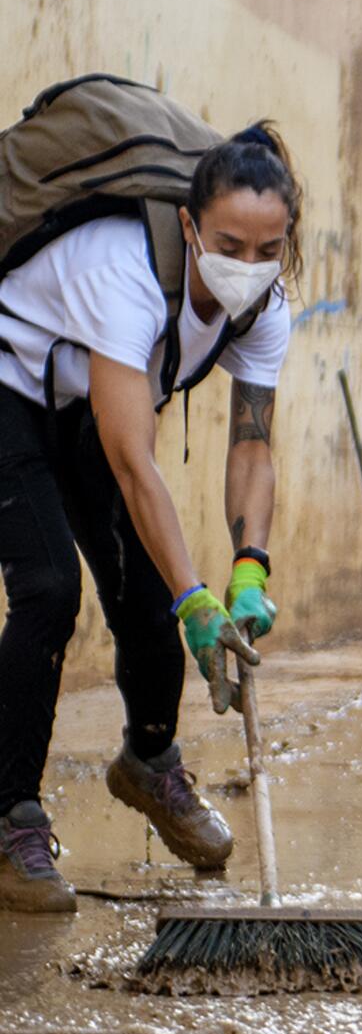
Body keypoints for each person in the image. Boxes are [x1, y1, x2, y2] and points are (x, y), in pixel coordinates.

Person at [0, 127, 298, 913]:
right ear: (189, 225)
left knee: (143, 586)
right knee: (49, 585)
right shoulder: (123, 271)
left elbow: (253, 444)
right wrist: (195, 597)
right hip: (8, 377)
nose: (249, 264)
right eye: (230, 243)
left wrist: (248, 569)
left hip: (80, 396)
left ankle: (149, 763)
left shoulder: (266, 308)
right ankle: (10, 819)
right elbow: (133, 462)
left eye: (269, 248)